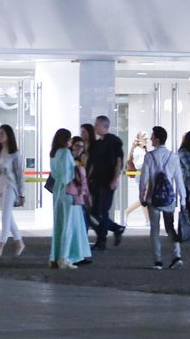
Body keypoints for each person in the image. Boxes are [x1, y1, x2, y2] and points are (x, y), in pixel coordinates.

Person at [138, 125, 186, 270]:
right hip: (169, 199)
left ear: (157, 139)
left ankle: (158, 260)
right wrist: (182, 200)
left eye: (152, 136)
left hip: (153, 198)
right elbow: (179, 180)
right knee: (170, 227)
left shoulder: (149, 156)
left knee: (155, 229)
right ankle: (177, 255)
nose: (151, 139)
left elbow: (144, 180)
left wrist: (142, 196)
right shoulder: (173, 157)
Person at [47, 128, 89, 269]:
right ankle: (64, 258)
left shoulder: (54, 154)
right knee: (68, 226)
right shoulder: (65, 153)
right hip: (68, 190)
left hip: (58, 191)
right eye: (70, 139)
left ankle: (55, 256)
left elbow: (56, 174)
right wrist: (79, 168)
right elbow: (67, 176)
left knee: (59, 225)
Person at [86, 115, 126, 249]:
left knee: (102, 212)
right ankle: (116, 228)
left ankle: (101, 240)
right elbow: (92, 163)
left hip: (107, 182)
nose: (95, 127)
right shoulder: (97, 144)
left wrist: (115, 178)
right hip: (96, 182)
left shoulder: (113, 141)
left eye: (97, 124)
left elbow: (119, 161)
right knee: (95, 212)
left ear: (105, 126)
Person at [0, 123, 26, 257]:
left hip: (11, 187)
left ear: (8, 136)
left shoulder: (15, 154)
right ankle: (19, 242)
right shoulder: (0, 153)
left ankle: (0, 246)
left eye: (2, 134)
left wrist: (22, 194)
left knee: (5, 216)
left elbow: (20, 175)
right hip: (0, 187)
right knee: (8, 217)